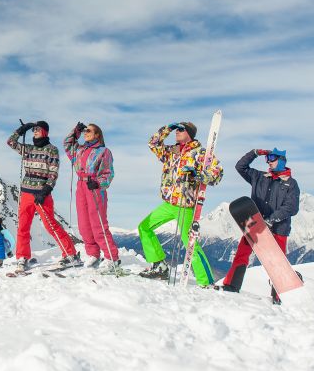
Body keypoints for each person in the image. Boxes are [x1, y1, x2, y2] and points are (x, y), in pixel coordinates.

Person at [138, 121, 223, 284]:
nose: (177, 131)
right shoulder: (171, 151)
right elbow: (153, 144)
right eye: (176, 129)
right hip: (169, 203)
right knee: (144, 227)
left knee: (190, 244)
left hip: (185, 205)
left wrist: (197, 174)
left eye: (181, 129)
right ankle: (159, 265)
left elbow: (217, 174)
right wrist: (167, 129)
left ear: (189, 133)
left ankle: (206, 281)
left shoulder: (200, 153)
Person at [221, 148, 301, 293]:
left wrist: (271, 220)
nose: (268, 161)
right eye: (267, 158)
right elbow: (240, 167)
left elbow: (292, 207)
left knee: (277, 263)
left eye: (272, 158)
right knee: (241, 254)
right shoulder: (259, 177)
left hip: (278, 229)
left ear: (282, 160)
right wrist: (254, 153)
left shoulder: (291, 184)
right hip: (255, 225)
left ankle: (279, 294)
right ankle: (231, 285)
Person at [8, 121, 79, 272]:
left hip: (42, 194)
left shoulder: (51, 150)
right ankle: (22, 257)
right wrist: (21, 130)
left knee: (50, 225)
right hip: (26, 192)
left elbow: (53, 173)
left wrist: (45, 191)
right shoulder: (28, 148)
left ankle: (71, 254)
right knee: (23, 226)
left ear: (45, 132)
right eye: (33, 129)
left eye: (37, 129)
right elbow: (10, 142)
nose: (34, 131)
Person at [64, 122, 120, 271]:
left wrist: (98, 183)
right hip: (81, 186)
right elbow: (67, 144)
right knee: (84, 224)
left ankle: (112, 257)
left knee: (98, 223)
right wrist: (76, 131)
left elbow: (108, 173)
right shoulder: (79, 150)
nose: (85, 133)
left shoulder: (104, 151)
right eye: (84, 131)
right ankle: (93, 254)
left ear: (97, 135)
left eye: (89, 131)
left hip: (94, 187)